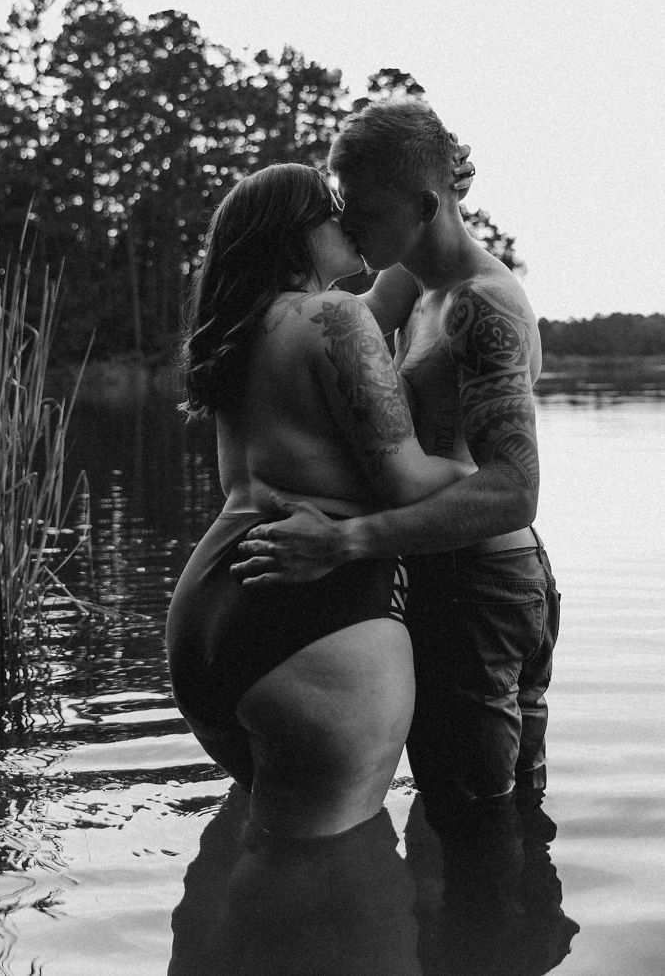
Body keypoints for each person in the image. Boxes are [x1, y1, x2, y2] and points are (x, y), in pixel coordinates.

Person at [231, 98, 562, 921]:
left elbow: (513, 489)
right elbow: (324, 329)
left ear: (424, 205)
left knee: (475, 818)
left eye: (366, 210)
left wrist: (347, 542)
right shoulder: (411, 281)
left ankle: (494, 952)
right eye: (341, 205)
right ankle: (515, 941)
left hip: (484, 591)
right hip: (463, 585)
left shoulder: (482, 306)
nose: (351, 224)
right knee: (494, 807)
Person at [165, 162, 472, 846]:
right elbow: (408, 482)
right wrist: (486, 472)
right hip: (315, 619)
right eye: (332, 209)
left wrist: (431, 205)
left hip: (207, 616)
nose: (348, 220)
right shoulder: (334, 317)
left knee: (263, 851)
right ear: (294, 233)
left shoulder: (243, 328)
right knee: (327, 879)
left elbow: (385, 295)